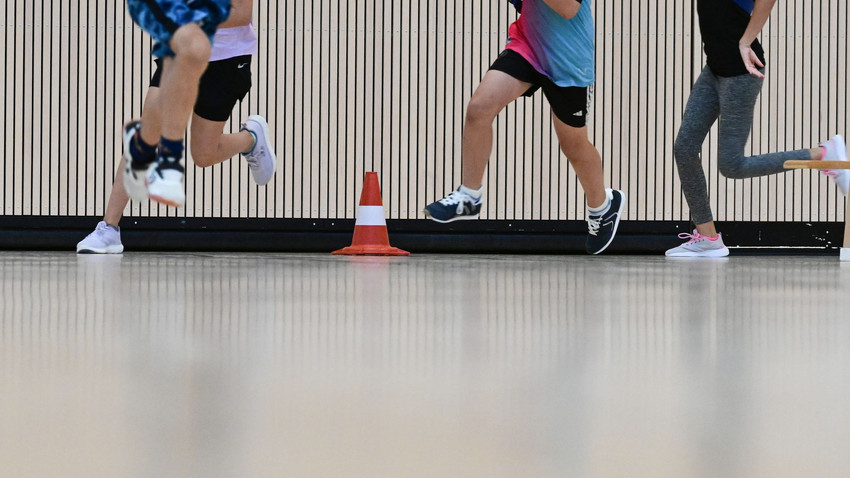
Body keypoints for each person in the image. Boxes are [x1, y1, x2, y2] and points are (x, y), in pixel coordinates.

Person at [422, 0, 625, 255]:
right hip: (528, 46)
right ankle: (469, 195)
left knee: (573, 145)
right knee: (479, 109)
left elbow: (568, 8)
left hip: (570, 62)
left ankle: (602, 206)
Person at [77, 0, 275, 254]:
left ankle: (250, 139)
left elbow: (241, 14)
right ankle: (109, 228)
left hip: (227, 58)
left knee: (203, 154)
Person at [666, 0, 849, 257]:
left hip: (741, 72)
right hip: (715, 69)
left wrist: (745, 42)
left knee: (732, 165)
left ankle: (821, 154)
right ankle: (708, 238)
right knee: (684, 148)